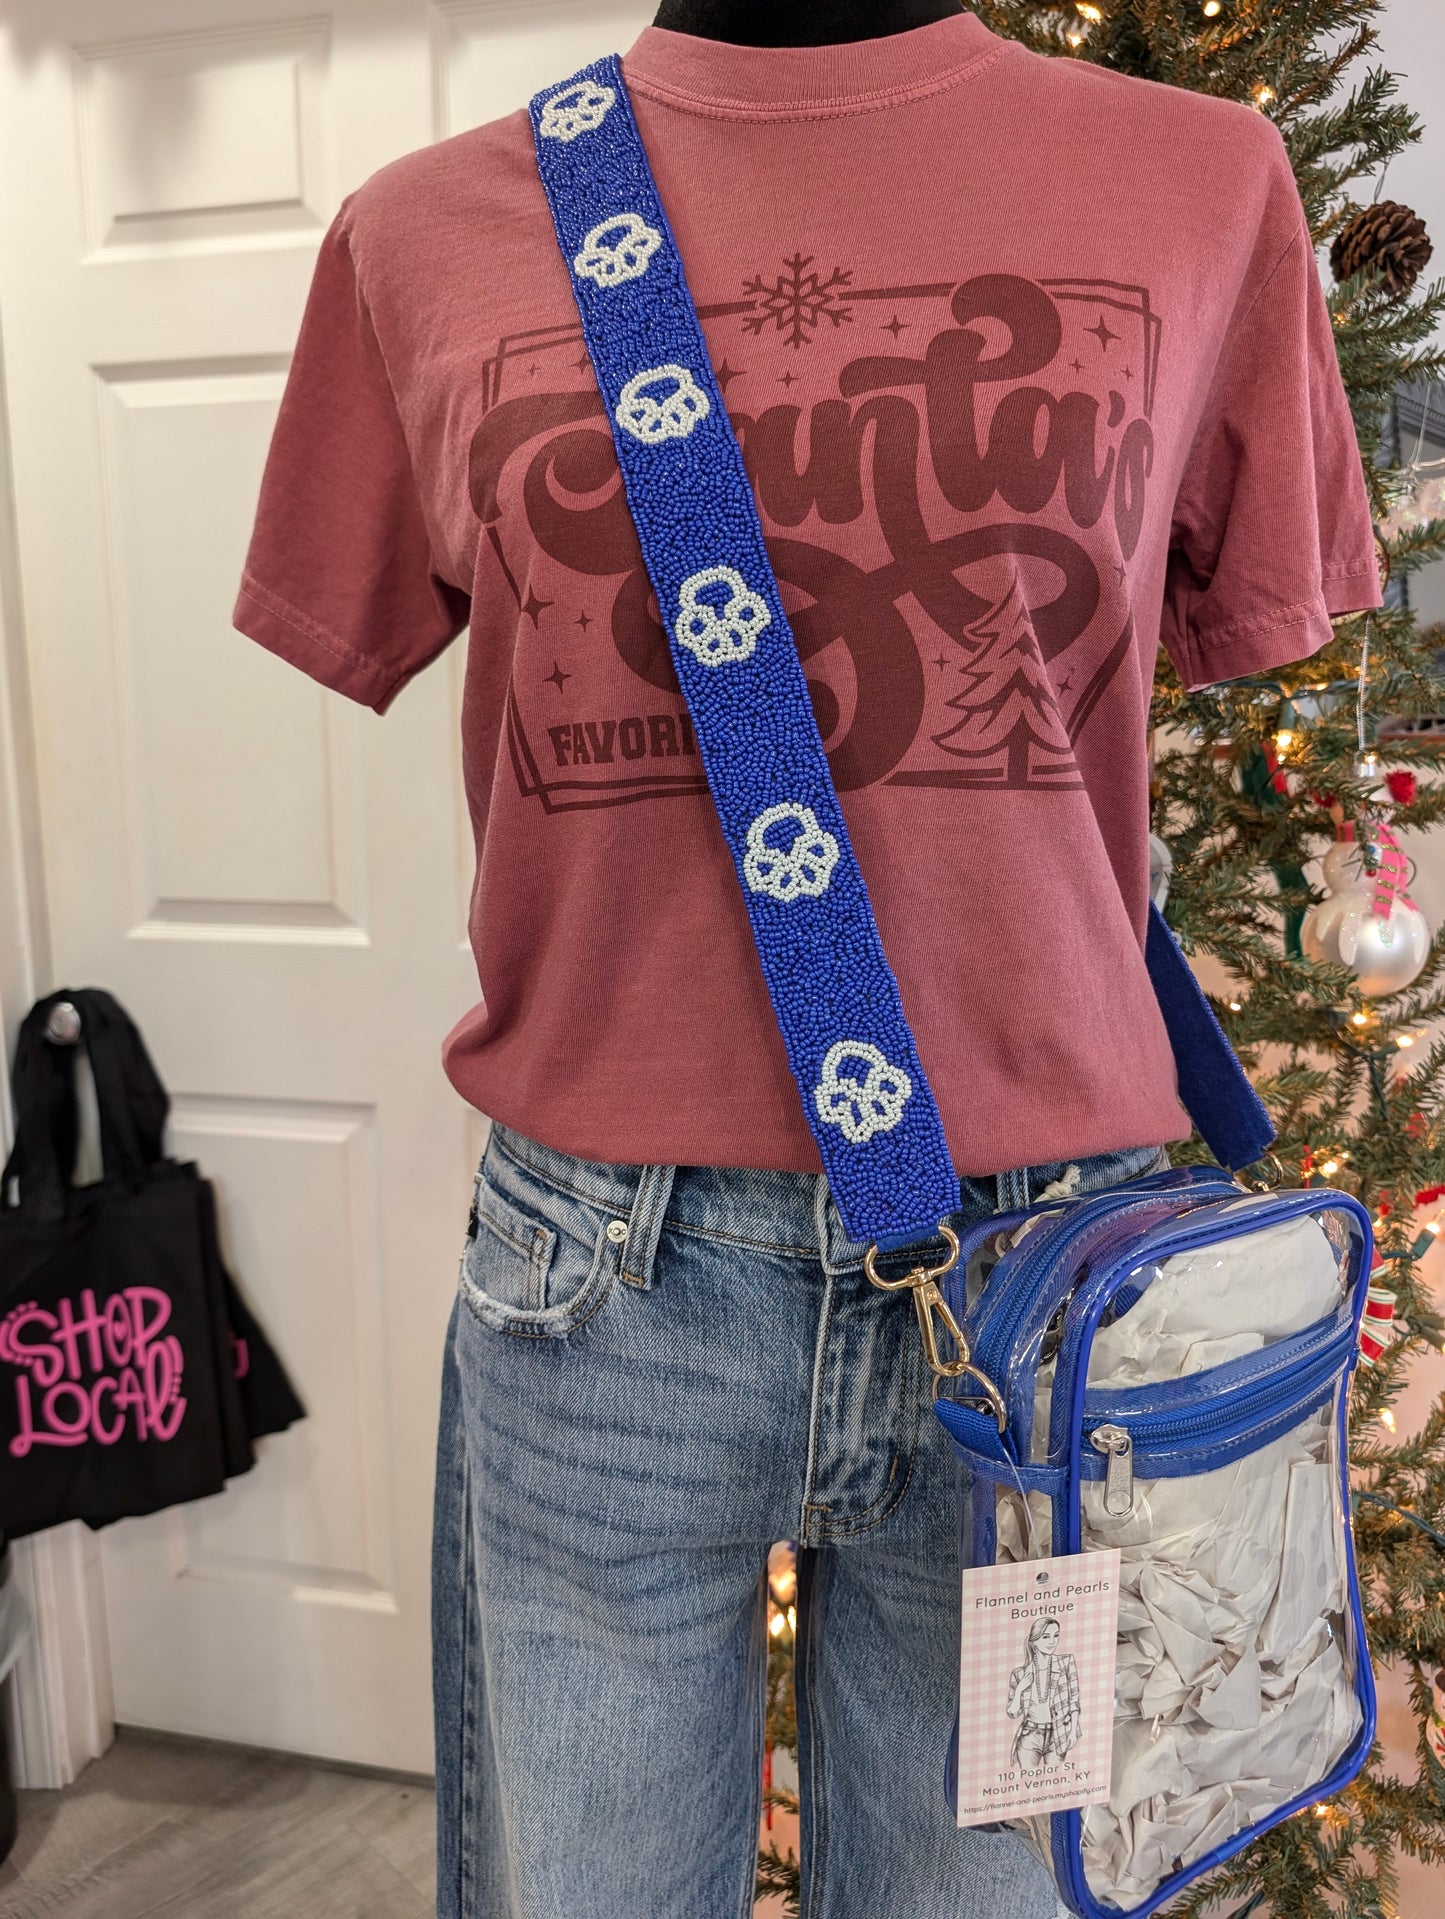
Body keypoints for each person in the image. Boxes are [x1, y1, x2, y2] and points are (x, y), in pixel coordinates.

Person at [231, 1, 1382, 1911]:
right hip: (604, 1280)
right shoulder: (422, 232)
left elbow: (1237, 622)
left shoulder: (1207, 184)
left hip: (1045, 1279)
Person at [1007, 1616, 1081, 1772]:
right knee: (1027, 1781)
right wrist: (1020, 1689)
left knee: (1056, 1780)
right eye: (1046, 1637)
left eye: (1056, 1635)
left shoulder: (1066, 1663)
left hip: (1058, 1734)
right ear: (1034, 1641)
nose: (1052, 1641)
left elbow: (1074, 1700)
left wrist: (1073, 1731)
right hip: (1030, 1735)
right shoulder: (1019, 1673)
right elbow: (1013, 1713)